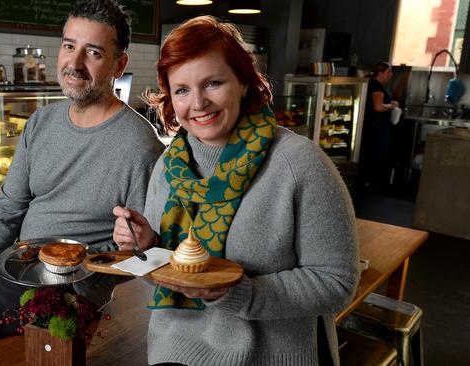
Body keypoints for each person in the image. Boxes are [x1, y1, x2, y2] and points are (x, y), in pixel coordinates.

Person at [0, 0, 164, 351]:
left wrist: (77, 294)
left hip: (60, 293)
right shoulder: (41, 122)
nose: (74, 63)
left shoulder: (140, 145)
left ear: (119, 64)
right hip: (14, 268)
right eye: (69, 46)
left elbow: (139, 254)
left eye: (93, 52)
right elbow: (6, 211)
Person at [112, 16, 359, 365]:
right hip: (174, 353)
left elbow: (336, 283)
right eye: (181, 90)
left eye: (213, 83)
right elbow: (166, 280)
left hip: (269, 357)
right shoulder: (169, 168)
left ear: (243, 81)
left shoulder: (298, 163)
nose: (197, 103)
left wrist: (237, 293)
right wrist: (149, 244)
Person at [361, 61, 400, 194]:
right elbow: (378, 107)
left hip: (371, 126)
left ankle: (366, 183)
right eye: (388, 71)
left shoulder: (369, 82)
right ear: (380, 73)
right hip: (377, 128)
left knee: (369, 154)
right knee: (376, 155)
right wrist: (392, 106)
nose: (391, 74)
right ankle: (370, 186)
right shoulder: (377, 87)